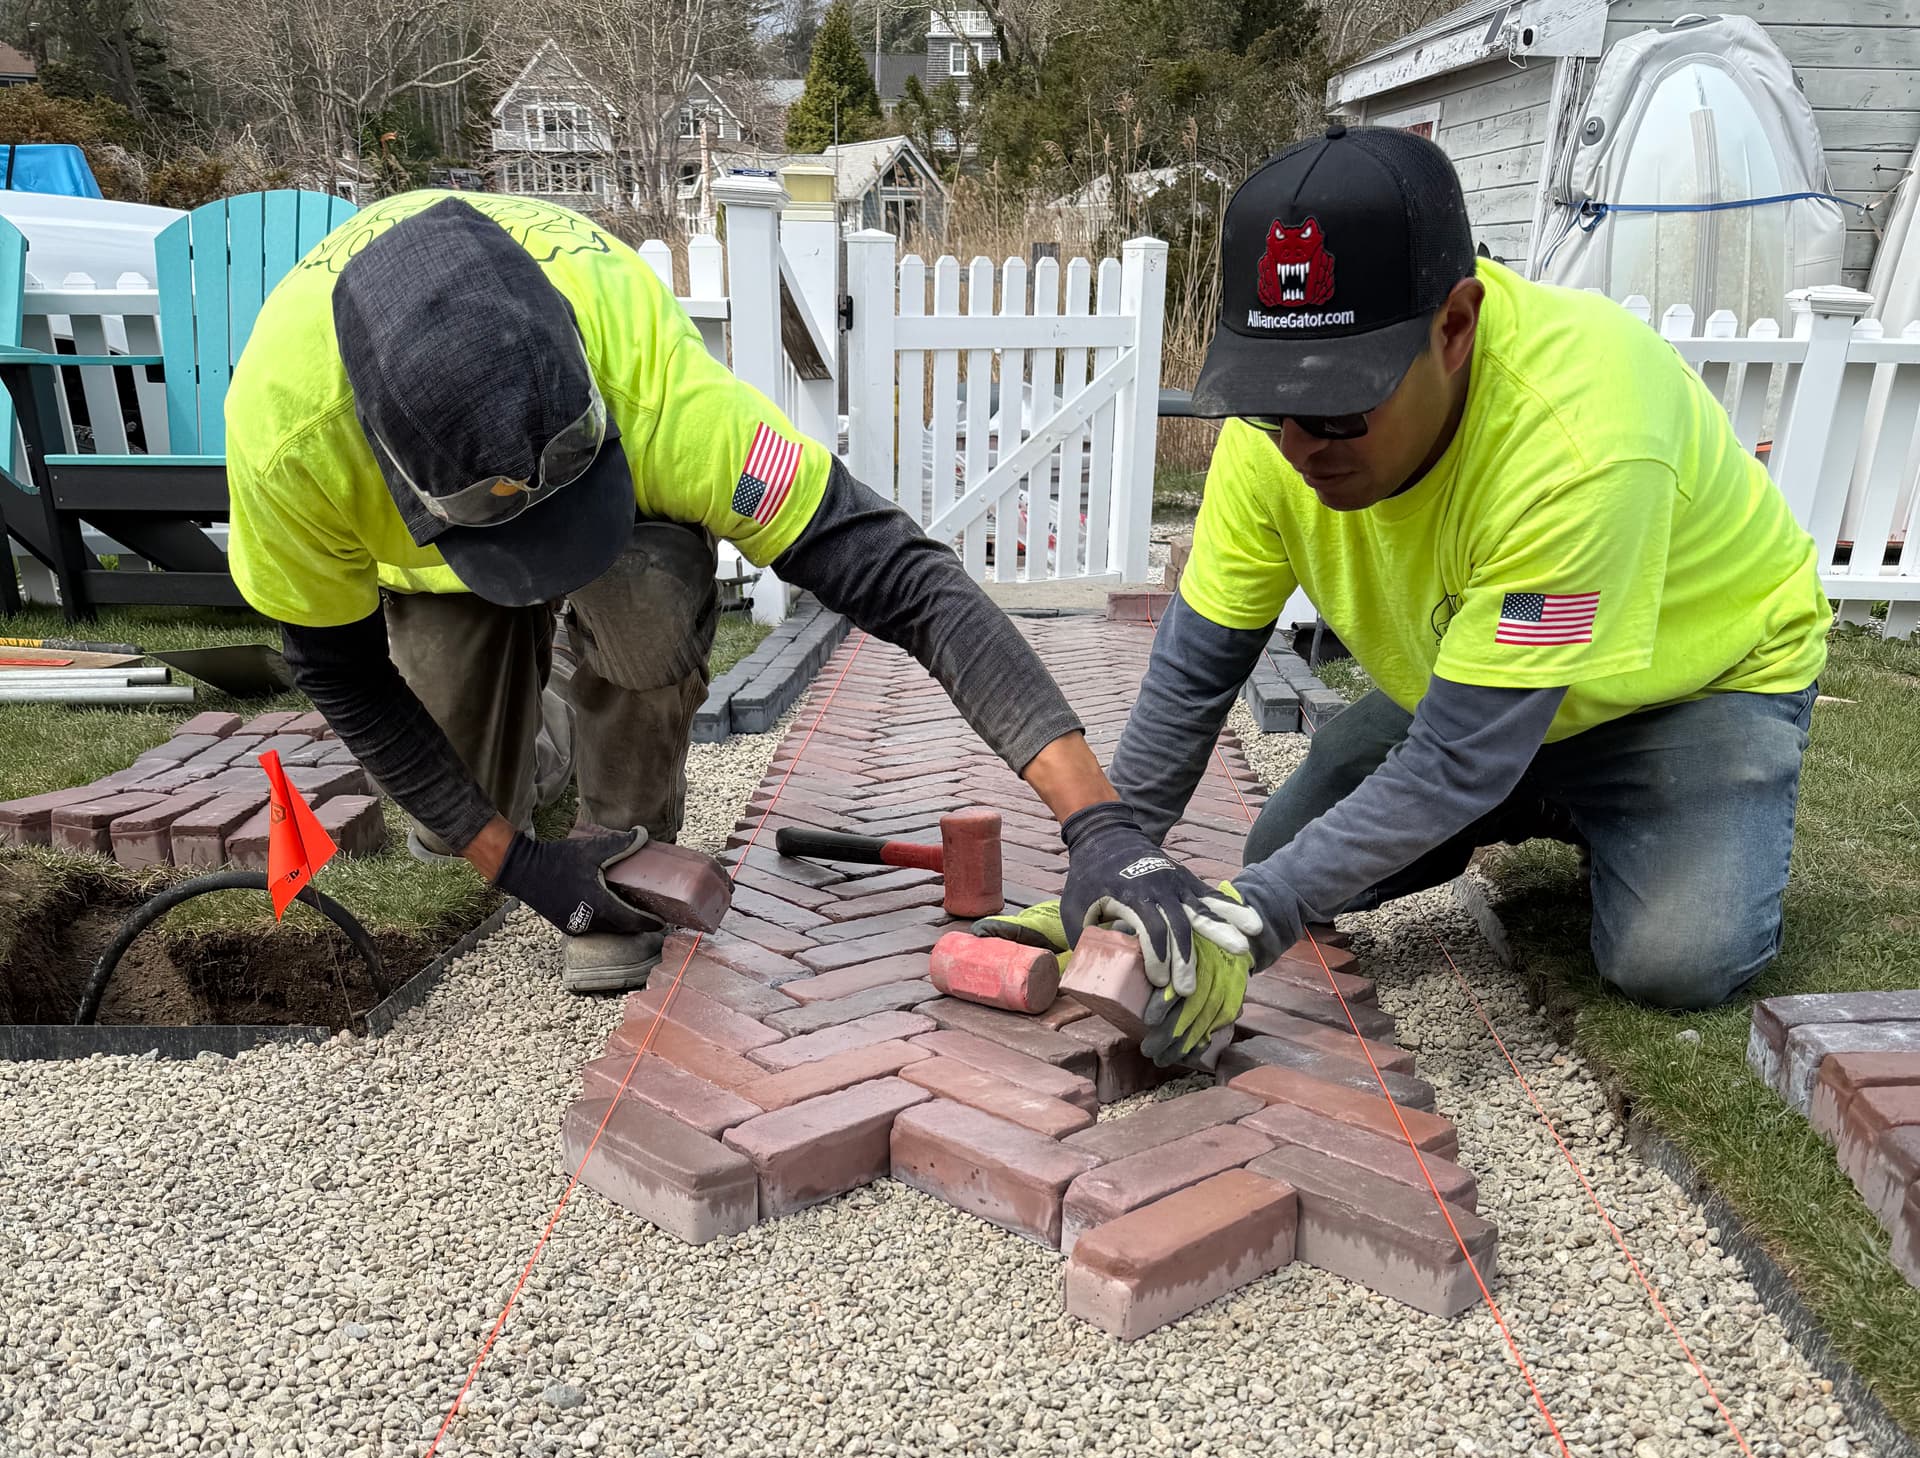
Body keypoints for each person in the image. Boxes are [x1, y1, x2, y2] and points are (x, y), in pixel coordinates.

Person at [224, 190, 1183, 994]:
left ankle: (622, 831)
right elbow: (340, 672)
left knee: (637, 606)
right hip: (426, 568)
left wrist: (1098, 825)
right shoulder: (286, 445)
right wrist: (518, 867)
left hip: (622, 525)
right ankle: (544, 739)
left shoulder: (659, 388)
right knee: (451, 823)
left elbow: (905, 579)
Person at [1101, 124, 1831, 1067]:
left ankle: (1594, 798)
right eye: (1267, 402)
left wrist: (1260, 918)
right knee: (1278, 851)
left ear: (1455, 327)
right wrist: (1111, 847)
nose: (1296, 446)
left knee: (1672, 963)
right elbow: (1194, 675)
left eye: (1336, 407)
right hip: (1481, 694)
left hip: (1688, 689)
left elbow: (1451, 760)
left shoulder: (1580, 441)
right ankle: (1515, 781)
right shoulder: (1278, 437)